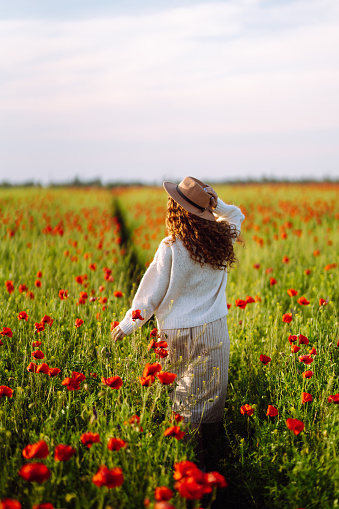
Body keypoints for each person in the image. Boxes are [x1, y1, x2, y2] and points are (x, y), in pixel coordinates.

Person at [112, 176, 245, 467]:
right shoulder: (222, 237)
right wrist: (216, 202)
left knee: (182, 398)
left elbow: (151, 292)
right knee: (205, 397)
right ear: (204, 210)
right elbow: (236, 215)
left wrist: (128, 324)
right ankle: (207, 462)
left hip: (176, 331)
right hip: (212, 329)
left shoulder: (171, 246)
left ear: (176, 209)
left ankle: (183, 464)